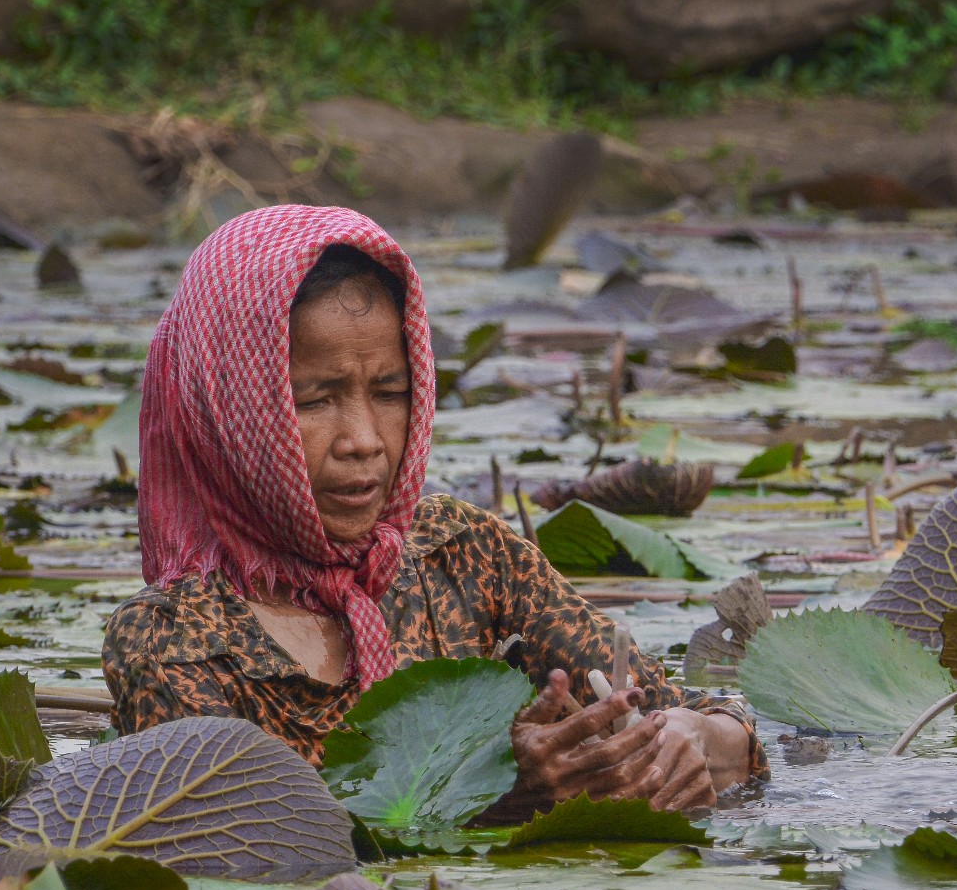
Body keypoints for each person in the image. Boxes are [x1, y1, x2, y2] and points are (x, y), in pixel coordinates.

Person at [102, 205, 763, 814]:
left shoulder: (465, 555)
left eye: (390, 391)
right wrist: (498, 800)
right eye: (314, 400)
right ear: (228, 408)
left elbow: (682, 712)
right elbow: (255, 851)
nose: (364, 439)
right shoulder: (171, 641)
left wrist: (692, 740)